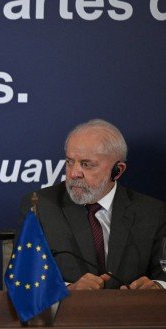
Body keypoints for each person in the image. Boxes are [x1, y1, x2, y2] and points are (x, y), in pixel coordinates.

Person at [20, 119, 166, 290]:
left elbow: (163, 272)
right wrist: (67, 290)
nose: (74, 173)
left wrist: (157, 286)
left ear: (117, 170)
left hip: (130, 315)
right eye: (69, 162)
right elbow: (25, 279)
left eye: (86, 164)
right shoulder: (40, 206)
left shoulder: (152, 212)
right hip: (69, 315)